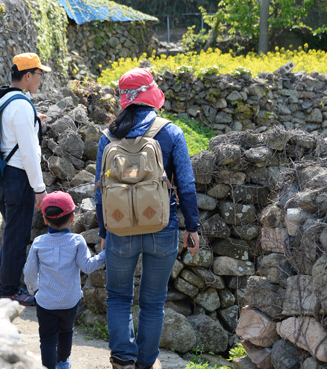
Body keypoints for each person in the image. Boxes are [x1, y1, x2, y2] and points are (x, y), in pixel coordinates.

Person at [95, 68, 200, 369]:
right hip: (161, 227)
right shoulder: (170, 132)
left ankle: (122, 359)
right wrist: (191, 227)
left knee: (117, 297)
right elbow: (187, 185)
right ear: (150, 94)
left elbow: (101, 191)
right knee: (153, 302)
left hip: (119, 228)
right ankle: (144, 363)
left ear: (124, 98)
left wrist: (104, 229)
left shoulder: (107, 136)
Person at [0, 52, 50, 306]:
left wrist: (34, 120)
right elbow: (28, 153)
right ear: (27, 76)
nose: (40, 79)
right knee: (18, 234)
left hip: (2, 174)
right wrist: (40, 188)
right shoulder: (22, 105)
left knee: (11, 230)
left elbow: (9, 129)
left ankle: (1, 284)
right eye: (38, 74)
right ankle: (10, 290)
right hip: (19, 176)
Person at [24, 191, 106, 369]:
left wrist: (33, 289)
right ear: (73, 218)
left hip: (46, 302)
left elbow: (29, 270)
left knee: (47, 337)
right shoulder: (77, 241)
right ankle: (63, 362)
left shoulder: (39, 243)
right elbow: (87, 266)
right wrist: (105, 254)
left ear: (45, 220)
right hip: (70, 301)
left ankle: (49, 366)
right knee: (66, 332)